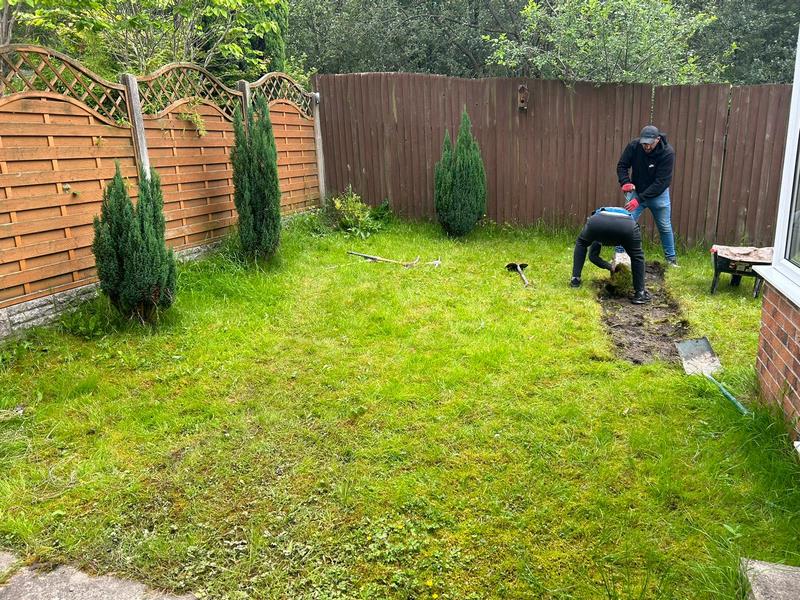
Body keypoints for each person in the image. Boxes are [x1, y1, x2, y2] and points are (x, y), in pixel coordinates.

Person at [616, 124, 677, 266]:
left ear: (657, 139)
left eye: (649, 144)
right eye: (644, 143)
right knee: (626, 223)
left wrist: (639, 200)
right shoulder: (634, 146)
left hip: (659, 195)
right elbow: (622, 165)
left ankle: (671, 260)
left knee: (665, 227)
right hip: (637, 191)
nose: (646, 147)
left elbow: (661, 182)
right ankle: (619, 255)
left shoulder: (667, 153)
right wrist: (625, 182)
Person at [571, 206, 651, 305]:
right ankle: (640, 293)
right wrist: (611, 267)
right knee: (637, 256)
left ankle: (575, 280)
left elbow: (593, 256)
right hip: (627, 226)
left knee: (581, 243)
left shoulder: (597, 223)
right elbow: (593, 257)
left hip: (598, 223)